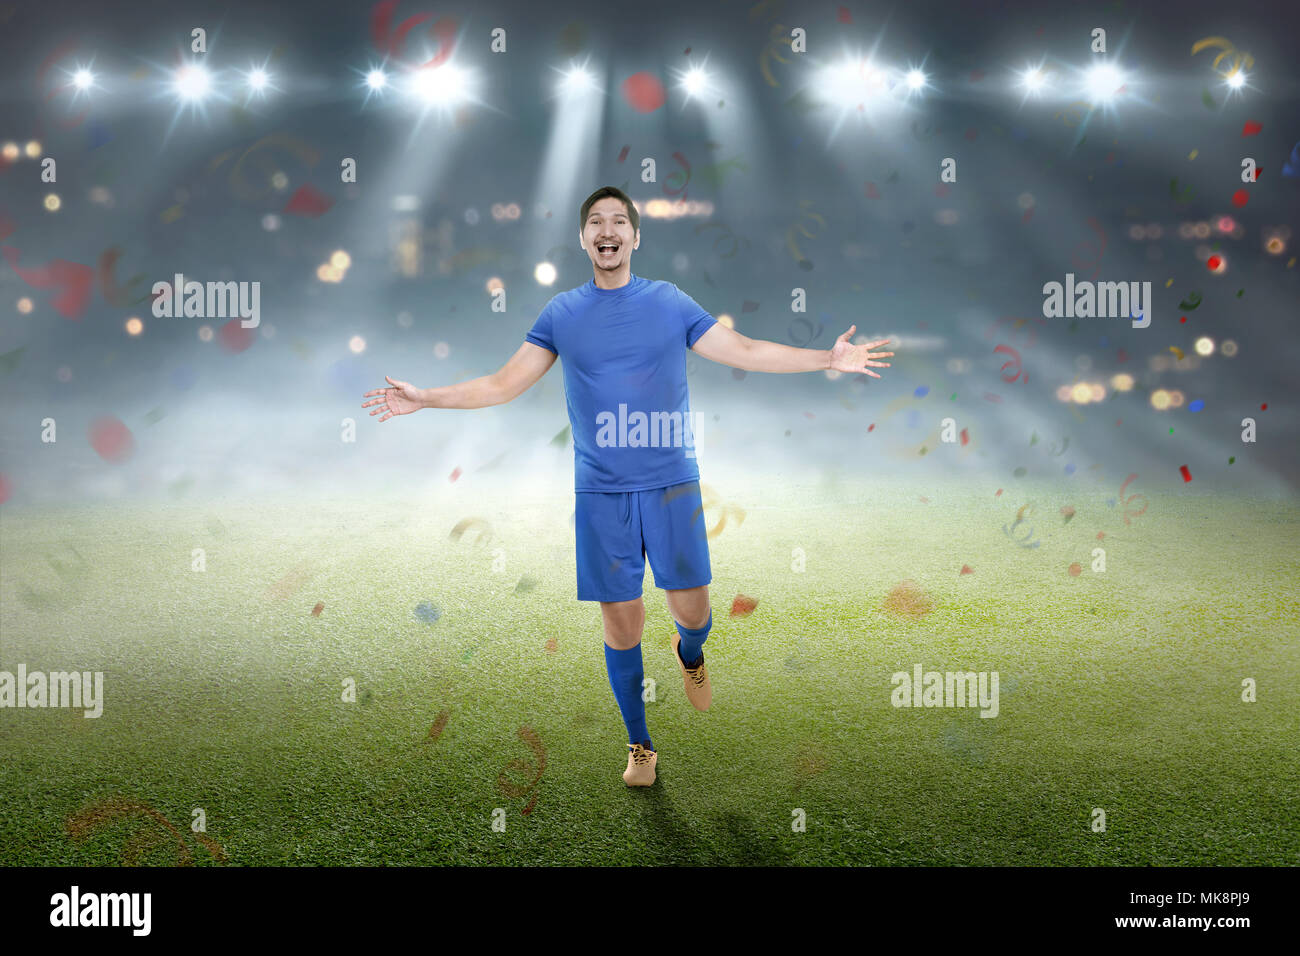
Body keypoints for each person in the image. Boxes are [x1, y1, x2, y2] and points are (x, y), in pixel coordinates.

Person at [363, 185, 893, 787]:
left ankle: (690, 652)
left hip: (672, 486)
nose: (607, 230)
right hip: (601, 495)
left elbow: (742, 348)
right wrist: (425, 397)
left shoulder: (668, 301)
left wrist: (827, 359)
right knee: (623, 624)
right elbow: (502, 384)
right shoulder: (561, 313)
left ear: (636, 238)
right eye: (596, 221)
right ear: (584, 238)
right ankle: (641, 746)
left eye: (619, 221)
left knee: (692, 611)